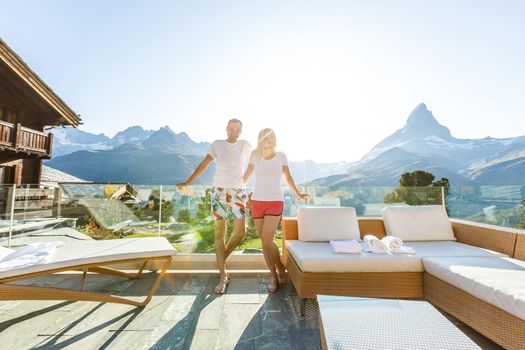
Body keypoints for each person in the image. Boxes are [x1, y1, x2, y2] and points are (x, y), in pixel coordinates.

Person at [176, 119, 252, 294]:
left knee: (241, 231)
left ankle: (220, 259)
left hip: (238, 192)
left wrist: (247, 177)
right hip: (218, 192)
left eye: (237, 130)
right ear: (226, 129)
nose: (234, 132)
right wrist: (188, 181)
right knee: (220, 233)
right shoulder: (217, 145)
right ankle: (222, 275)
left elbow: (257, 159)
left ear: (241, 131)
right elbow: (204, 164)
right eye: (231, 129)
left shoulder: (244, 145)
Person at [243, 128, 309, 292]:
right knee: (265, 244)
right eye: (266, 137)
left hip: (274, 202)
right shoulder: (254, 155)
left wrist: (298, 193)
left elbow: (288, 178)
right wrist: (237, 191)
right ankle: (275, 273)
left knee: (266, 240)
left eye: (272, 137)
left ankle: (280, 269)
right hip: (257, 201)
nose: (269, 140)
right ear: (260, 139)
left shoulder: (281, 156)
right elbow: (246, 176)